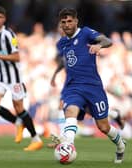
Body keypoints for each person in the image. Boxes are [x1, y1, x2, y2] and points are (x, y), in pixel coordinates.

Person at [52, 8, 126, 163]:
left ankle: (120, 146)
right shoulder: (61, 43)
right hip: (73, 87)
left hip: (93, 87)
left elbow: (107, 40)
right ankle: (68, 146)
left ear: (76, 21)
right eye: (63, 22)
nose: (66, 24)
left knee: (103, 127)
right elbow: (65, 61)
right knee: (70, 111)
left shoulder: (85, 33)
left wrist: (99, 46)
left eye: (70, 21)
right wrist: (55, 74)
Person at [0, 6, 43, 151]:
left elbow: (17, 57)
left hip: (14, 77)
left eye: (0, 17)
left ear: (4, 19)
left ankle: (36, 139)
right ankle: (17, 122)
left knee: (19, 108)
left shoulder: (9, 35)